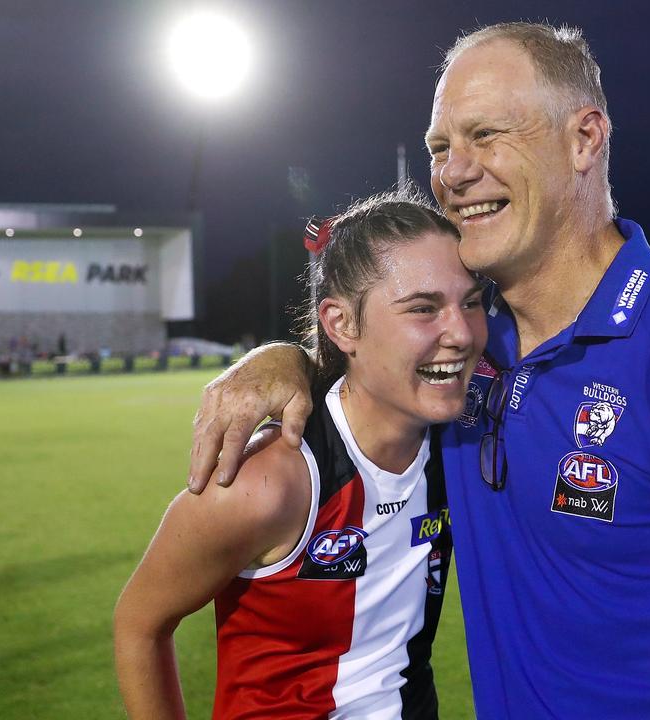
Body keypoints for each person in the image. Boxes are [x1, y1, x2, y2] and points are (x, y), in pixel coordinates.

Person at [187, 23, 650, 719]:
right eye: (441, 147)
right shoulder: (465, 337)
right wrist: (285, 360)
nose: (453, 172)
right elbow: (364, 368)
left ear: (585, 139)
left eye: (487, 135)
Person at [114, 193, 488, 719]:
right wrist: (275, 356)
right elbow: (140, 623)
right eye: (423, 309)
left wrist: (281, 356)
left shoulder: (462, 436)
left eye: (472, 302)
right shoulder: (272, 484)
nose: (461, 332)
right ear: (342, 325)